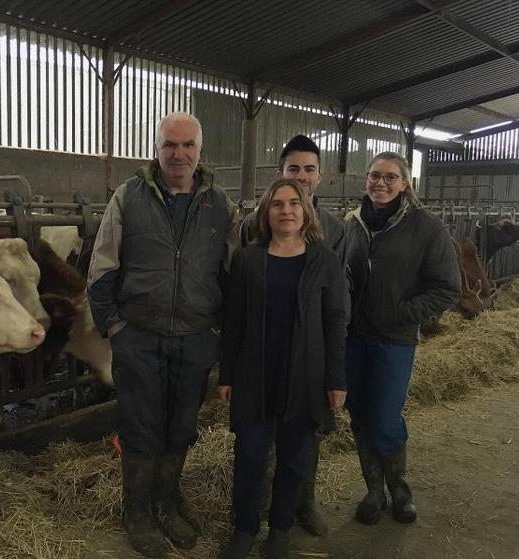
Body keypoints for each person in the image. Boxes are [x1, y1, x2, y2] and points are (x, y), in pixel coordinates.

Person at [87, 112, 239, 558]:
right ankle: (138, 513)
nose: (179, 154)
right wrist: (115, 328)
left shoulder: (220, 204)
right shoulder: (128, 197)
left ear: (199, 151)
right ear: (156, 148)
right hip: (139, 334)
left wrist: (216, 329)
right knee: (140, 427)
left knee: (181, 426)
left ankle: (168, 505)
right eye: (170, 144)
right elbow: (101, 268)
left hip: (194, 337)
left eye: (187, 145)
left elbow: (232, 273)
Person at [218, 178, 347, 559]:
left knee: (294, 459)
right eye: (277, 204)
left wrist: (336, 378)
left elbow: (335, 321)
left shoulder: (324, 260)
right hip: (255, 375)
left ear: (305, 211)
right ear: (266, 213)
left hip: (305, 375)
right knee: (250, 456)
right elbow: (234, 322)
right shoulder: (248, 260)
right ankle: (244, 529)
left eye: (294, 203)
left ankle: (280, 530)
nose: (286, 210)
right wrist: (226, 374)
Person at [343, 152, 460, 525]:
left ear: (405, 183)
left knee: (385, 416)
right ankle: (373, 491)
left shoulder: (427, 228)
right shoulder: (352, 223)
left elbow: (447, 288)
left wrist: (404, 313)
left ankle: (400, 490)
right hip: (354, 337)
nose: (380, 183)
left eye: (390, 177)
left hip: (394, 339)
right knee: (359, 414)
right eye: (374, 176)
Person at [240, 134, 345, 536]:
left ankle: (303, 500)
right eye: (293, 169)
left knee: (302, 438)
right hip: (264, 349)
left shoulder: (334, 230)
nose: (301, 176)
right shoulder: (255, 224)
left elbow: (341, 293)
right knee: (256, 441)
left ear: (320, 176)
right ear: (280, 173)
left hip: (312, 347)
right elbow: (243, 287)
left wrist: (334, 366)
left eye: (309, 169)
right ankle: (257, 508)